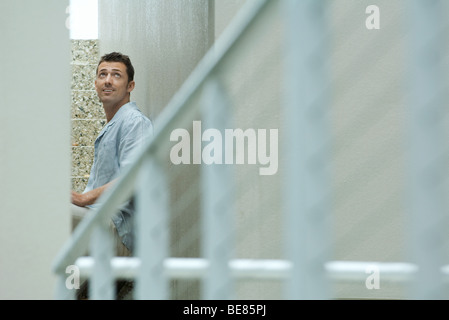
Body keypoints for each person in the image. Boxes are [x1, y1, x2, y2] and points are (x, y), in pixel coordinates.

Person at [71, 52, 153, 256]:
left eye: (116, 75)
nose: (107, 80)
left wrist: (83, 199)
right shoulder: (114, 124)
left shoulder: (134, 122)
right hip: (99, 219)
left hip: (118, 230)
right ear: (95, 83)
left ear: (130, 86)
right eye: (102, 74)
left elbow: (134, 178)